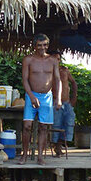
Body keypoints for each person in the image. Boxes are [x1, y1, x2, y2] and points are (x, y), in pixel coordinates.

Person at [20, 33, 61, 164]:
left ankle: (40, 157)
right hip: (31, 95)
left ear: (47, 45)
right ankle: (24, 155)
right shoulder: (28, 60)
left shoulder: (53, 60)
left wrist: (58, 98)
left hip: (47, 97)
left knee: (44, 127)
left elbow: (57, 80)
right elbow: (25, 80)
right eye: (39, 45)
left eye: (44, 45)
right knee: (27, 126)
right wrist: (31, 96)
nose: (42, 48)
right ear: (35, 46)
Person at [48, 50, 78, 157]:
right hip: (54, 103)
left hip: (66, 102)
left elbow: (74, 83)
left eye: (58, 59)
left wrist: (74, 98)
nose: (57, 60)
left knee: (69, 122)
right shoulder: (47, 71)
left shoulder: (64, 71)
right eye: (54, 58)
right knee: (56, 124)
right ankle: (57, 147)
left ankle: (60, 145)